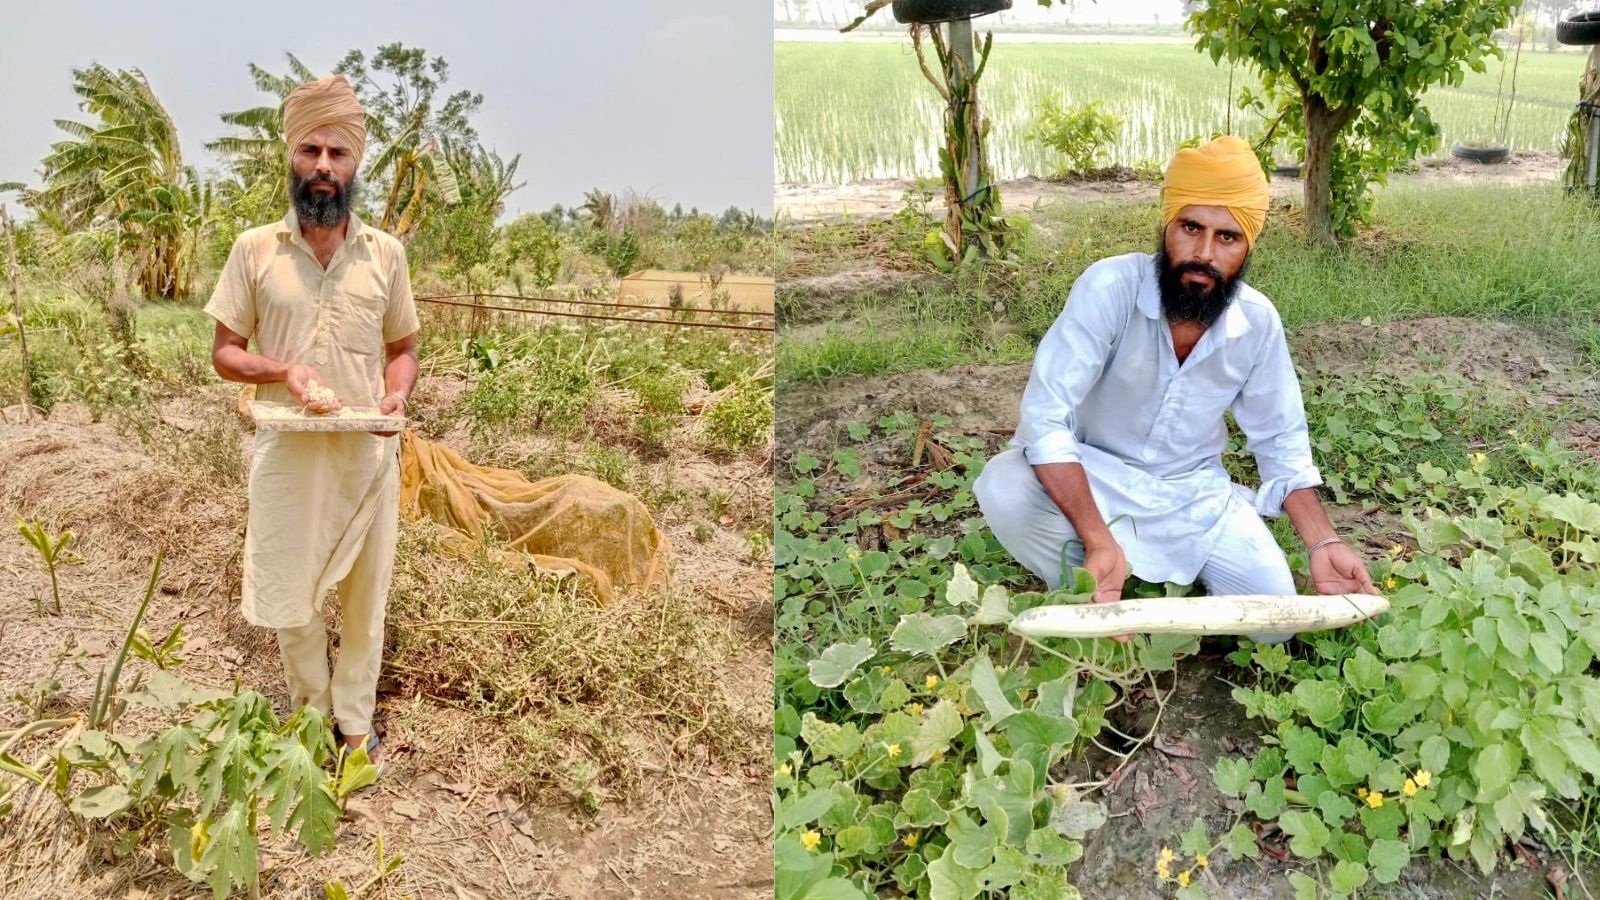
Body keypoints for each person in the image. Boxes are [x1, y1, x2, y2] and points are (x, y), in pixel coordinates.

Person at [973, 136, 1375, 641]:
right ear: (1167, 225)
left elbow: (1281, 442)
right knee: (1005, 486)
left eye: (1227, 237)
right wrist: (1098, 536)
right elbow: (1045, 420)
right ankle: (1087, 574)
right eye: (1191, 228)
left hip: (1192, 497)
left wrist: (1321, 543)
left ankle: (1124, 569)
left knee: (1274, 625)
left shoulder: (1258, 324)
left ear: (1248, 246)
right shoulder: (1108, 289)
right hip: (1096, 474)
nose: (1203, 254)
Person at [206, 75, 418, 767]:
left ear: (356, 165)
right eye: (310, 150)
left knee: (365, 596)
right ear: (290, 158)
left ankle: (354, 723)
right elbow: (225, 354)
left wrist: (394, 396)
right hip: (287, 451)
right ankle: (310, 714)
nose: (324, 166)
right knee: (289, 593)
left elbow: (403, 351)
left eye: (338, 153)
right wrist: (283, 373)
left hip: (366, 451)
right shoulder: (255, 249)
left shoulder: (386, 254)